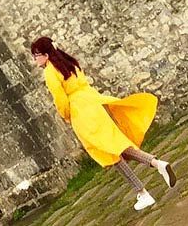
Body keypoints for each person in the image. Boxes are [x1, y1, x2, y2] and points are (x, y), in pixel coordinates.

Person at [31, 36, 177, 211]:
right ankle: (155, 167)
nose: (35, 60)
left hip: (81, 111)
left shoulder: (49, 71)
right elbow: (83, 83)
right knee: (115, 146)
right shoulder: (69, 62)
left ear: (45, 55)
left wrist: (66, 115)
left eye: (36, 55)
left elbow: (60, 99)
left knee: (109, 152)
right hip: (94, 102)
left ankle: (144, 190)